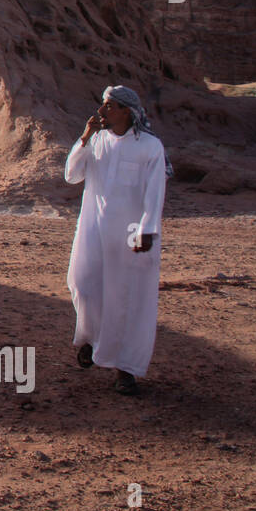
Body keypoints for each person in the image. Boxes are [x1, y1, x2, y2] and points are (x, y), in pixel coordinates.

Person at [64, 85, 171, 395]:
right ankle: (90, 339)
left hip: (132, 237)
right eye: (103, 105)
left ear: (126, 111)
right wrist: (84, 137)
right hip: (93, 231)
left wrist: (147, 230)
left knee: (128, 300)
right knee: (82, 284)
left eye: (109, 106)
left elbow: (155, 192)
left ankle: (126, 370)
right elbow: (71, 175)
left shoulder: (149, 146)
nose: (102, 111)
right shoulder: (96, 141)